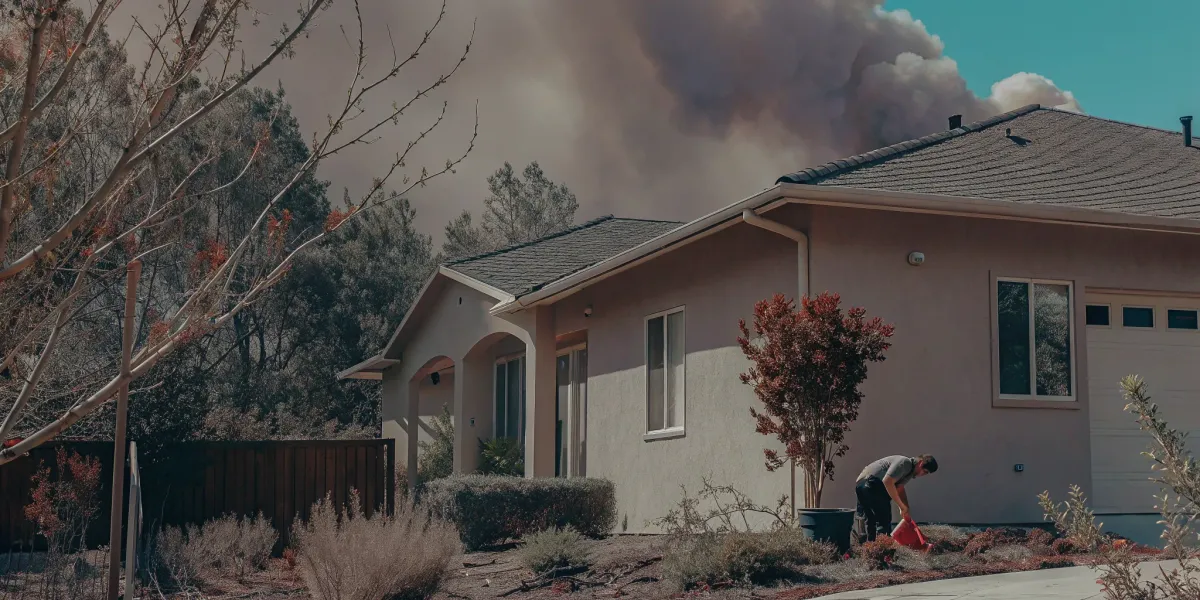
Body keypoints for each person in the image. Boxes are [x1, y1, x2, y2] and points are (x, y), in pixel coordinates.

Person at [855, 454, 938, 542]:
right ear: (920, 463)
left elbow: (899, 488)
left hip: (862, 486)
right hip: (872, 484)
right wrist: (901, 506)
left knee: (870, 520)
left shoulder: (909, 472)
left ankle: (870, 548)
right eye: (925, 472)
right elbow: (888, 481)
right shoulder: (905, 463)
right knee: (883, 521)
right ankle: (883, 549)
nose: (923, 475)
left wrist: (905, 509)